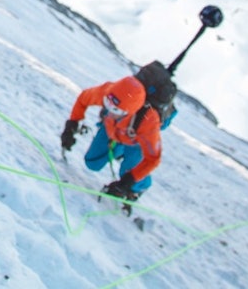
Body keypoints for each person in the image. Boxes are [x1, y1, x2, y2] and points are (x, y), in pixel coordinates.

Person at [59, 62, 177, 213]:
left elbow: (153, 158)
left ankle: (139, 188)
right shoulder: (109, 92)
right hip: (113, 131)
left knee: (129, 172)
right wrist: (72, 125)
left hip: (136, 141)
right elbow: (84, 98)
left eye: (115, 110)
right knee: (92, 163)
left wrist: (128, 182)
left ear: (131, 111)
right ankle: (119, 151)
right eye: (107, 106)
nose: (109, 111)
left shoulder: (149, 121)